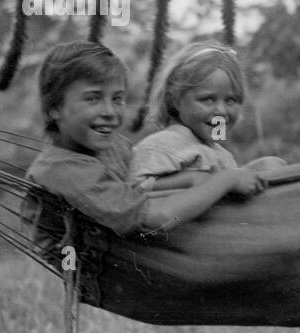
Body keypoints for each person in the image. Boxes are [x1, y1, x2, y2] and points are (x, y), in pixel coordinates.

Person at [22, 41, 265, 264]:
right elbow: (160, 216)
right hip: (94, 261)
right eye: (93, 98)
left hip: (133, 244)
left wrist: (190, 178)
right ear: (54, 108)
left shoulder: (110, 146)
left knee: (269, 168)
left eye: (117, 99)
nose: (110, 111)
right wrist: (226, 180)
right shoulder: (65, 169)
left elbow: (139, 186)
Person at [131, 40, 285, 190]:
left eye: (231, 100)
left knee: (272, 165)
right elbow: (132, 190)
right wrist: (191, 179)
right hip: (177, 216)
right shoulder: (163, 144)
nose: (221, 111)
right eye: (208, 99)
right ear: (177, 100)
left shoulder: (222, 154)